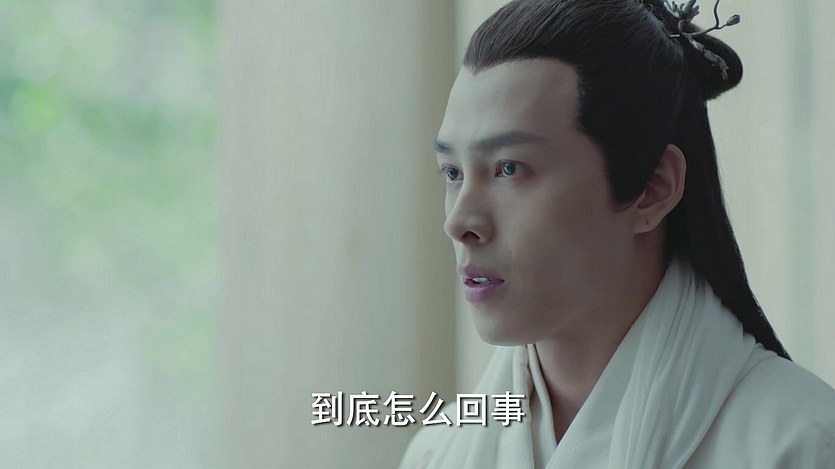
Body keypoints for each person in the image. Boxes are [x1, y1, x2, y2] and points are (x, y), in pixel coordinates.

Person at [399, 0, 835, 467]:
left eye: (509, 168)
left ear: (653, 189)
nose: (459, 222)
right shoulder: (437, 452)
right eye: (452, 172)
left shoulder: (799, 444)